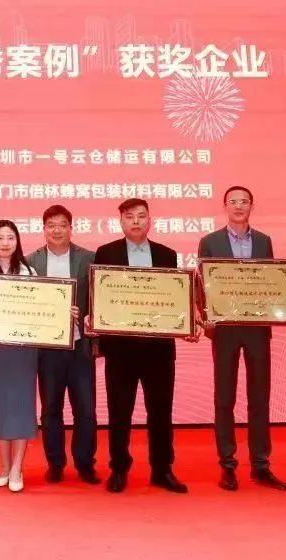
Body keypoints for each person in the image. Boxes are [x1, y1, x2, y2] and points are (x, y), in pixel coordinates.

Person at [93, 198, 191, 494]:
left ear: (150, 220)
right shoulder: (106, 252)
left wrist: (185, 320)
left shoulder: (166, 255)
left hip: (158, 348)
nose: (135, 221)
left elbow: (174, 298)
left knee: (160, 411)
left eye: (141, 216)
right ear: (120, 221)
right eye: (129, 217)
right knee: (119, 411)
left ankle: (162, 469)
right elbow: (100, 296)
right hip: (121, 349)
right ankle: (119, 468)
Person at [197, 186, 286, 492]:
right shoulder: (210, 241)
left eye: (244, 201)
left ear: (252, 206)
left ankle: (261, 465)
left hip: (257, 328)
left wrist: (284, 310)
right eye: (233, 202)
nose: (238, 206)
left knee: (259, 397)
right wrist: (205, 315)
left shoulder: (264, 241)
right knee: (224, 398)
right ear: (224, 206)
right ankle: (228, 464)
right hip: (224, 329)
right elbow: (202, 284)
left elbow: (272, 283)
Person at [26, 204, 99, 484]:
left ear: (71, 228)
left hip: (80, 347)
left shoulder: (89, 258)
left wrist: (91, 317)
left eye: (62, 225)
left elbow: (98, 298)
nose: (57, 230)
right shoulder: (30, 262)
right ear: (43, 229)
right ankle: (55, 463)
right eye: (51, 225)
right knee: (50, 410)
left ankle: (85, 464)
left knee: (86, 410)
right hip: (48, 349)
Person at [0, 220, 40, 492]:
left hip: (23, 350)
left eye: (10, 237)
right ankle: (3, 466)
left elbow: (40, 310)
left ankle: (17, 467)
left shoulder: (29, 272)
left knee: (22, 406)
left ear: (17, 242)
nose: (5, 243)